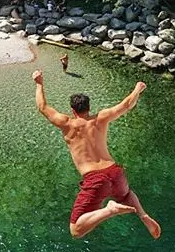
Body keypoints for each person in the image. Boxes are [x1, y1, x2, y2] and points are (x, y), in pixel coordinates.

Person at [32, 70, 161, 239]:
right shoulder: (101, 118)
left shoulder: (67, 123)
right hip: (115, 172)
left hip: (95, 178)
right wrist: (137, 89)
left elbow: (42, 107)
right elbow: (126, 105)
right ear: (89, 107)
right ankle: (143, 215)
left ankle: (110, 210)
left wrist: (39, 83)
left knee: (76, 230)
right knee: (126, 195)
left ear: (72, 110)